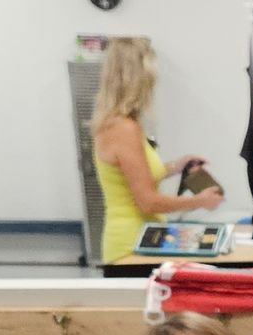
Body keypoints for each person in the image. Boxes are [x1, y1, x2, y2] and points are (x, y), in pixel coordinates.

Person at [91, 36, 223, 273]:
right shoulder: (123, 129)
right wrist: (200, 200)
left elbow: (138, 176)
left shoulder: (118, 123)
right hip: (131, 251)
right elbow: (148, 201)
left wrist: (177, 166)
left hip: (144, 242)